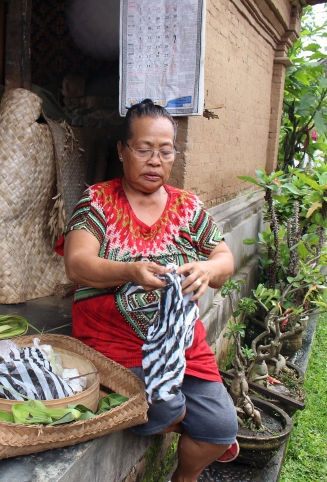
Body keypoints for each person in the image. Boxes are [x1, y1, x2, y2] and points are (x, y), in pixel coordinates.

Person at [55, 99, 238, 481]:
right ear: (122, 151)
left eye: (165, 150)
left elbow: (225, 259)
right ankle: (173, 412)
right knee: (165, 409)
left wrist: (206, 268)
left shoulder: (188, 207)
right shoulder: (97, 202)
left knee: (221, 430)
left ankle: (183, 476)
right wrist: (130, 271)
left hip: (183, 344)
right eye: (144, 149)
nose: (156, 160)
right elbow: (77, 264)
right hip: (114, 343)